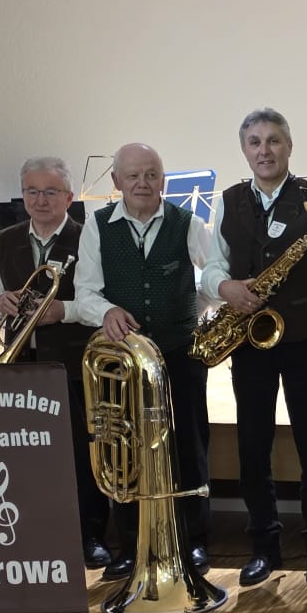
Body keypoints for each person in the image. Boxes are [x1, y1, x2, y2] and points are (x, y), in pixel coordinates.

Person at [201, 109, 307, 588]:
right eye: (254, 142)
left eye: (273, 140)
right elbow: (212, 266)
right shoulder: (228, 201)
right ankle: (263, 546)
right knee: (252, 449)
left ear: (289, 146)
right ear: (244, 149)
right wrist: (225, 287)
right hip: (250, 342)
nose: (264, 150)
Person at [69, 142, 213, 582]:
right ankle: (131, 544)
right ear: (116, 182)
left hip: (181, 353)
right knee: (125, 448)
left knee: (189, 445)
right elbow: (85, 293)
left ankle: (193, 540)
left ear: (163, 180)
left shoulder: (189, 223)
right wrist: (106, 311)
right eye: (132, 176)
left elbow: (214, 277)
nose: (143, 183)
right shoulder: (97, 227)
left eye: (151, 174)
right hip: (126, 360)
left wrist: (195, 311)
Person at [0, 155, 107, 570]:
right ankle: (38, 532)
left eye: (50, 192)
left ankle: (89, 534)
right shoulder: (6, 239)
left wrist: (63, 310)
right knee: (30, 452)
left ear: (69, 197)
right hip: (24, 360)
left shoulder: (88, 237)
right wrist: (0, 300)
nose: (40, 200)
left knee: (78, 452)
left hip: (73, 360)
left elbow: (101, 300)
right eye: (32, 192)